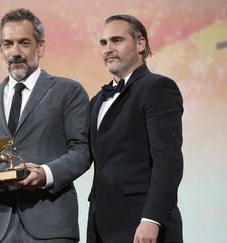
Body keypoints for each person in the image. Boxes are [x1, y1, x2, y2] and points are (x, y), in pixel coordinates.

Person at [0, 8, 90, 243]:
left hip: (50, 226)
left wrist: (46, 174)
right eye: (8, 44)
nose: (15, 52)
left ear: (40, 47)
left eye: (24, 43)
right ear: (1, 50)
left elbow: (82, 150)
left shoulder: (68, 91)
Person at [87, 14, 184, 243]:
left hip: (143, 225)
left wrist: (152, 219)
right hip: (100, 227)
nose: (108, 48)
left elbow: (167, 160)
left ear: (140, 44)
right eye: (103, 43)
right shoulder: (96, 101)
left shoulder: (158, 87)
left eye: (117, 40)